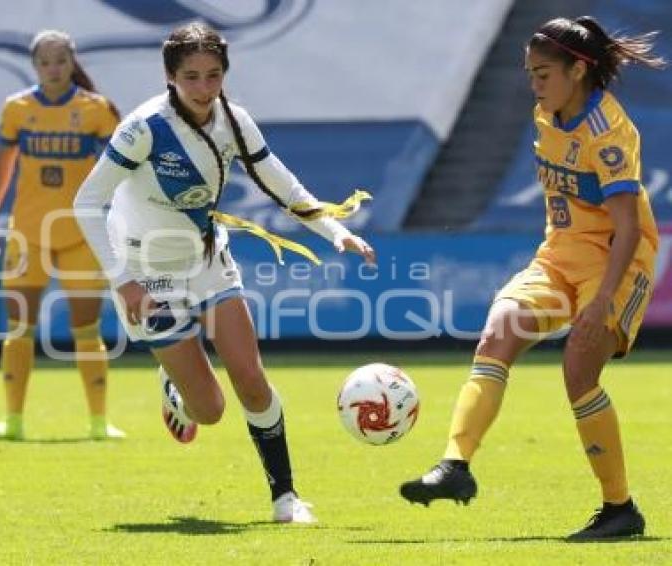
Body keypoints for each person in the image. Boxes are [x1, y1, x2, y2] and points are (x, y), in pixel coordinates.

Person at [74, 22, 375, 523]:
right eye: (191, 76)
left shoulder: (234, 121)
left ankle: (286, 497)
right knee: (209, 410)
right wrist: (120, 279)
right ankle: (179, 392)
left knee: (251, 381)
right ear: (171, 77)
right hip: (147, 274)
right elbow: (86, 202)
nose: (203, 88)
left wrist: (333, 231)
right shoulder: (144, 127)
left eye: (213, 75)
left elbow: (279, 181)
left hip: (208, 262)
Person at [399, 16, 664, 540]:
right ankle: (456, 466)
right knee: (499, 331)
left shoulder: (609, 132)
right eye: (529, 74)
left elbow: (629, 227)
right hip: (558, 256)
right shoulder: (547, 113)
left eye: (543, 74)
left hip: (616, 262)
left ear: (579, 69)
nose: (534, 84)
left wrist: (602, 302)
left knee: (578, 373)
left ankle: (619, 510)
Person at [0, 29, 125, 442]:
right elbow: (4, 166)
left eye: (60, 61)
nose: (53, 69)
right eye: (45, 62)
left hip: (81, 234)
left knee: (86, 328)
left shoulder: (97, 110)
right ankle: (13, 421)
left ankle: (99, 423)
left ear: (72, 62)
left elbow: (121, 170)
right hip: (28, 232)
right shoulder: (17, 108)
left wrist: (122, 219)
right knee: (18, 327)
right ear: (34, 66)